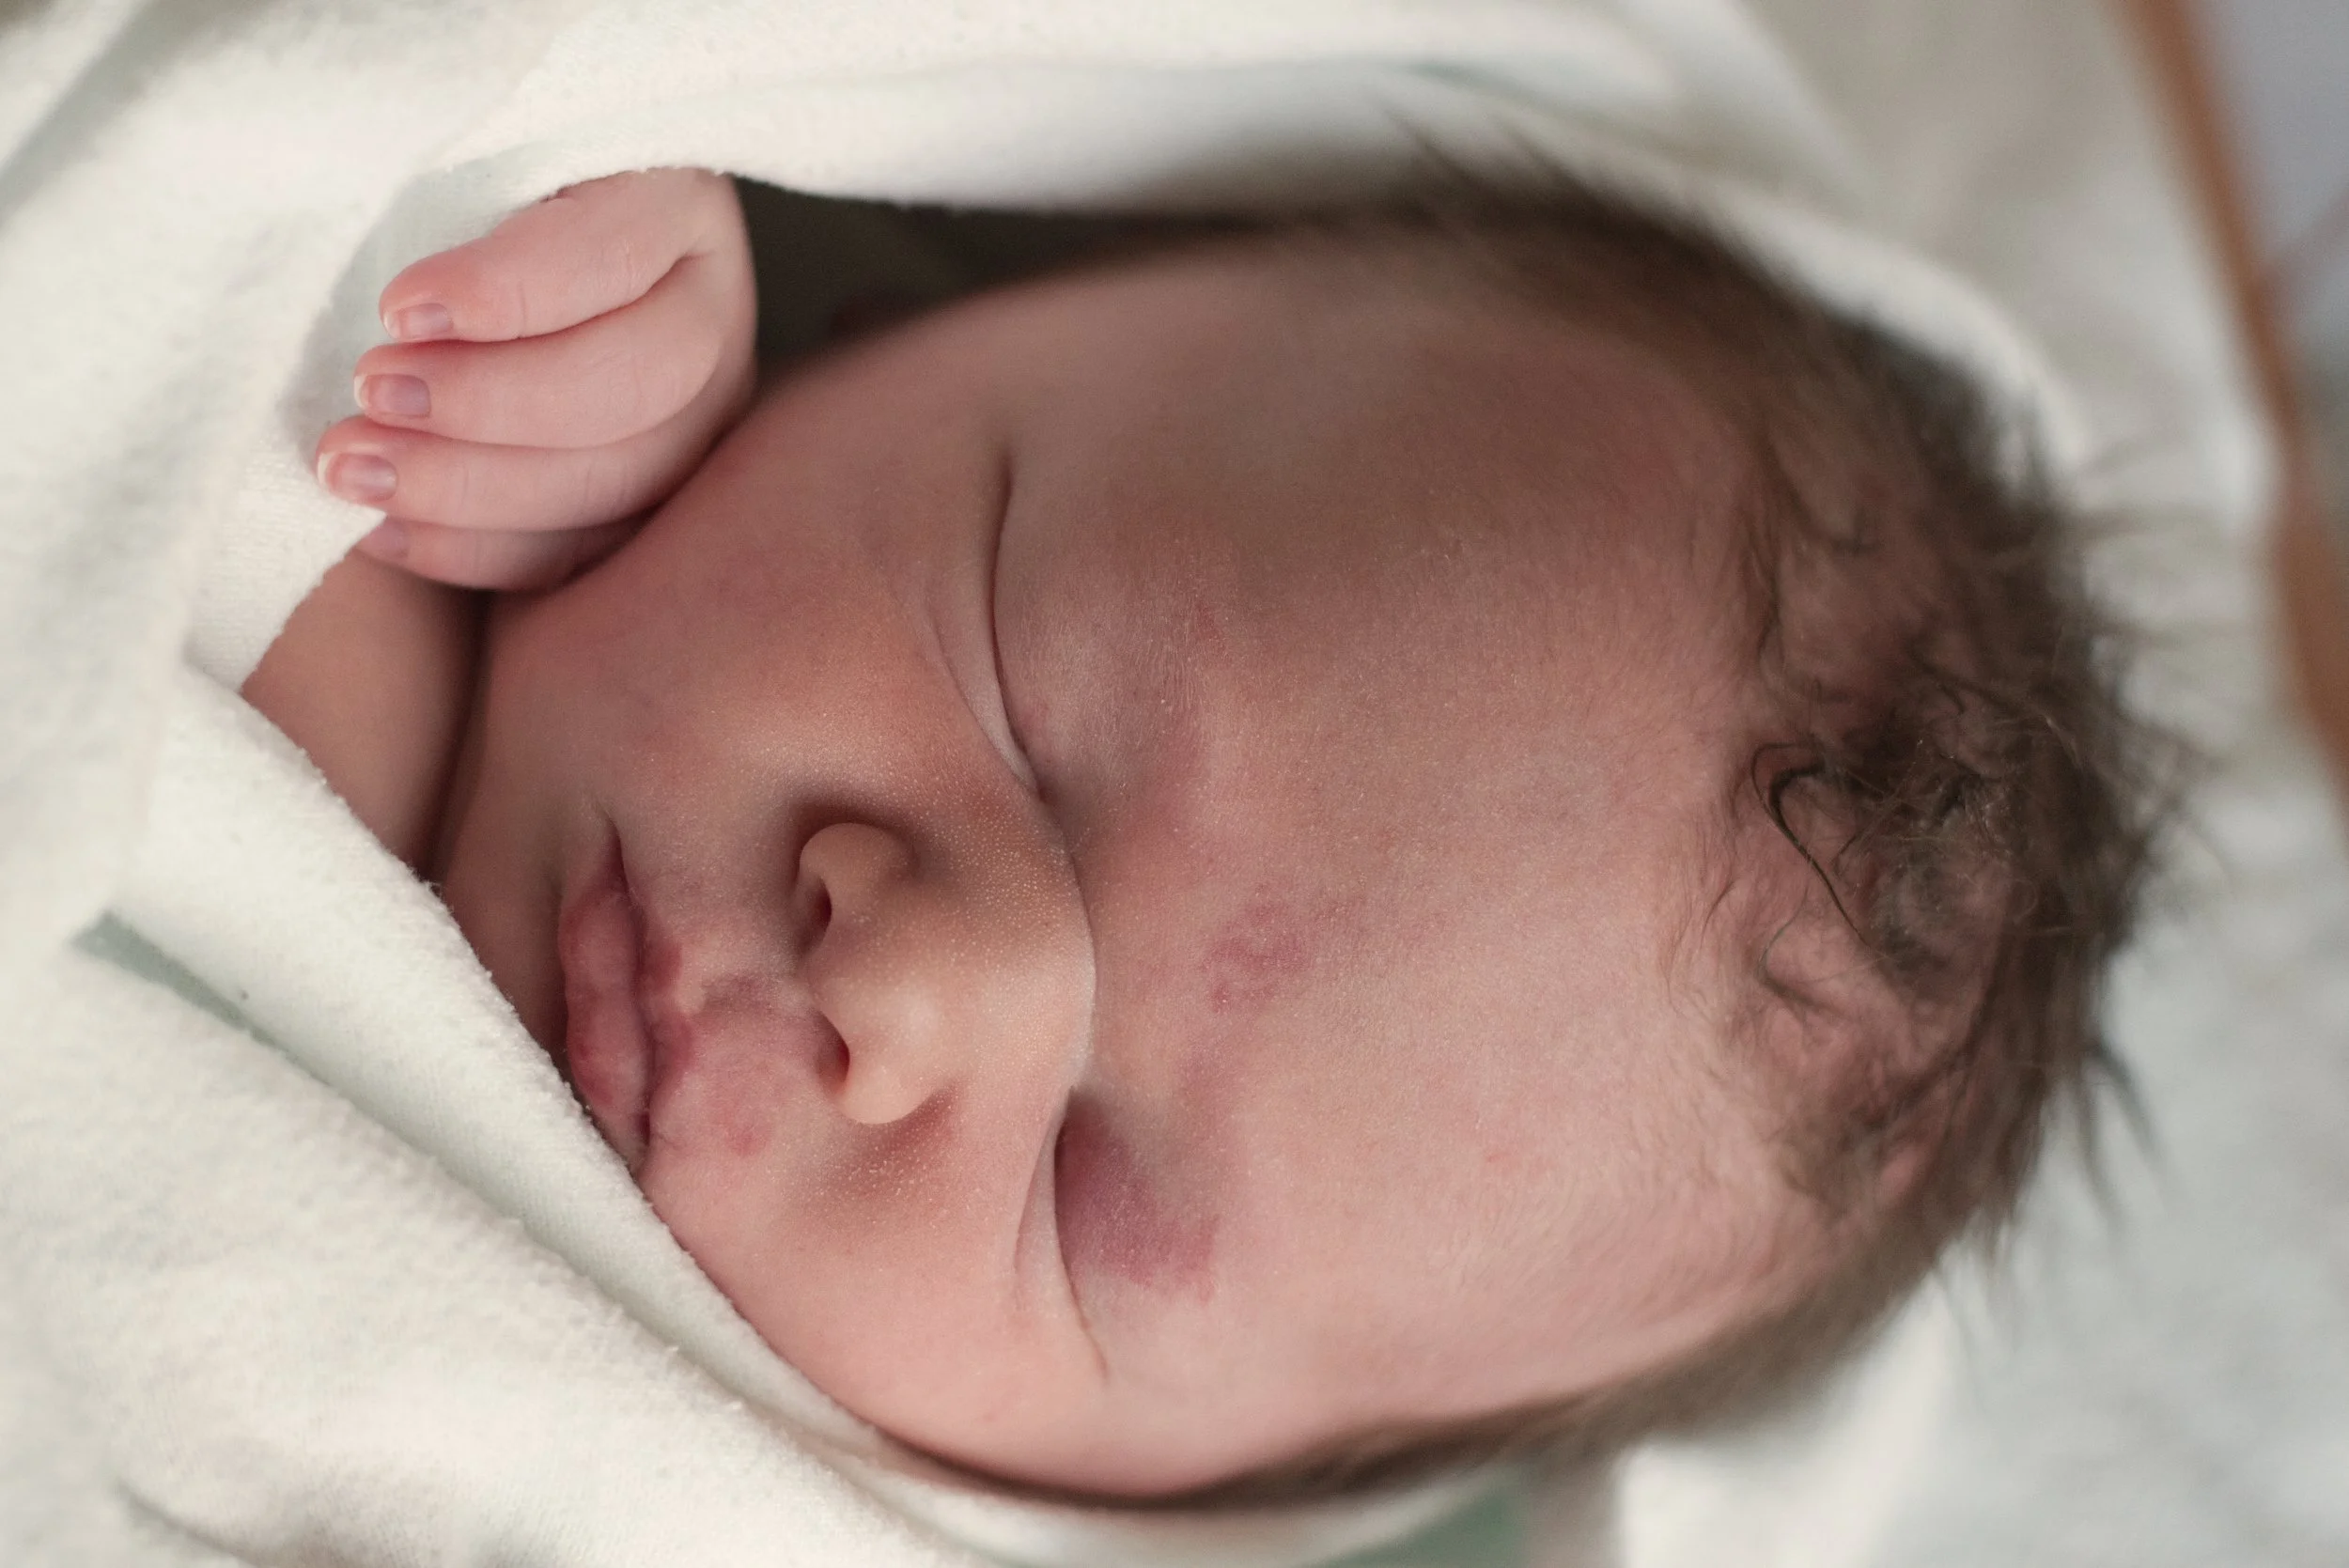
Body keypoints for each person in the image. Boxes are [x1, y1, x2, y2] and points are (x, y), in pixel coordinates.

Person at [242, 163, 2147, 1501]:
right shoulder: (431, 363)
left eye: (1089, 1208)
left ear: (1153, 1509)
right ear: (913, 328)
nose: (903, 982)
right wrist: (565, 219)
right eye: (1011, 677)